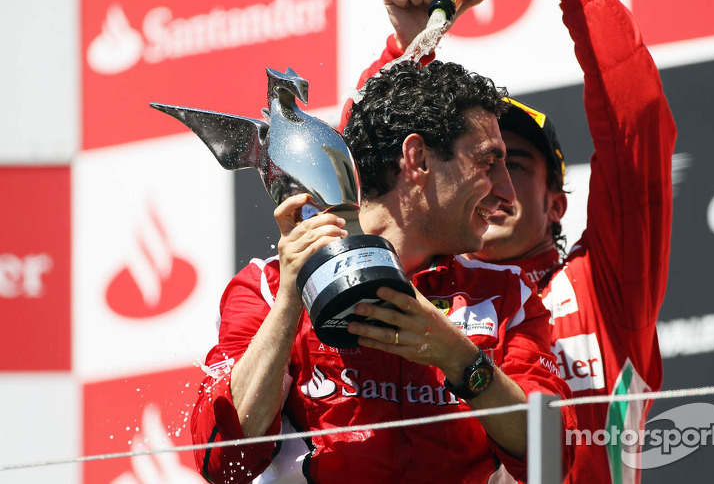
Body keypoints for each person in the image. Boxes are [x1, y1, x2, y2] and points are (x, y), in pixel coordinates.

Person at [349, 0, 678, 482]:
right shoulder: (424, 283)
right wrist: (411, 48)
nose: (494, 183)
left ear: (556, 204)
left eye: (513, 163)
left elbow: (636, 124)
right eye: (477, 160)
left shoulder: (603, 285)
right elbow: (371, 181)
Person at [191, 58, 577, 483]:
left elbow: (552, 461)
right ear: (417, 158)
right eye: (488, 162)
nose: (506, 192)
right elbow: (223, 464)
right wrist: (290, 303)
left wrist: (458, 356)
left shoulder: (508, 297)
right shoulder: (267, 288)